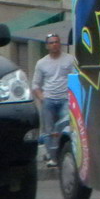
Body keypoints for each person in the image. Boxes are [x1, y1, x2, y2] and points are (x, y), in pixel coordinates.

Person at [33, 33, 76, 166]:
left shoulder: (70, 59)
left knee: (66, 128)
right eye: (51, 42)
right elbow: (35, 85)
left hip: (65, 100)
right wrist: (42, 98)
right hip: (49, 100)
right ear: (47, 46)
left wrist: (72, 97)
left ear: (60, 44)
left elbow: (76, 77)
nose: (54, 44)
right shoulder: (41, 63)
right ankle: (53, 157)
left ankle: (65, 155)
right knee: (49, 130)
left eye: (56, 42)